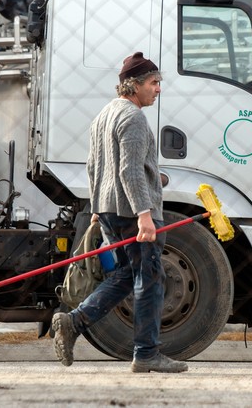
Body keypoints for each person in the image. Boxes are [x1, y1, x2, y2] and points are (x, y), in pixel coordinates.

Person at [51, 52, 188, 373]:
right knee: (151, 279)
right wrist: (144, 215)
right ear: (134, 85)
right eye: (154, 83)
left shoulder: (104, 115)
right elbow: (129, 171)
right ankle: (146, 353)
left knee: (129, 274)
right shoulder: (134, 117)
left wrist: (98, 208)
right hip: (132, 212)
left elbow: (95, 165)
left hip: (109, 209)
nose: (158, 90)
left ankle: (74, 322)